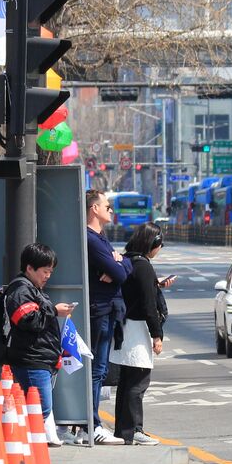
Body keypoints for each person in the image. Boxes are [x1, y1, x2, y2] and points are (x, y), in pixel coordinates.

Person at [108, 224, 168, 445]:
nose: (159, 249)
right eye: (159, 245)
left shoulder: (127, 261)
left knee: (126, 382)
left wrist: (156, 284)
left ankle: (123, 431)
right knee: (138, 382)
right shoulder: (143, 266)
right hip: (137, 329)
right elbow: (148, 304)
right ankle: (134, 430)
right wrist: (157, 334)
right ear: (152, 244)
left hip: (124, 326)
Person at [3, 243, 74, 419]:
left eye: (51, 271)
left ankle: (24, 441)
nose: (48, 276)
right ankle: (23, 442)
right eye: (45, 271)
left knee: (37, 410)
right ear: (29, 268)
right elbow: (29, 321)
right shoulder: (21, 290)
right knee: (39, 409)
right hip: (32, 359)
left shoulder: (31, 289)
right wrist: (55, 311)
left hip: (39, 358)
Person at [82, 190, 130, 445]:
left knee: (100, 369)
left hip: (108, 309)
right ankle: (92, 424)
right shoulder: (91, 239)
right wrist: (118, 266)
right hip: (99, 309)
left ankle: (91, 423)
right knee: (96, 369)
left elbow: (126, 266)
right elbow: (122, 273)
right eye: (107, 206)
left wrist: (120, 263)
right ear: (93, 209)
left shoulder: (101, 238)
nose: (111, 210)